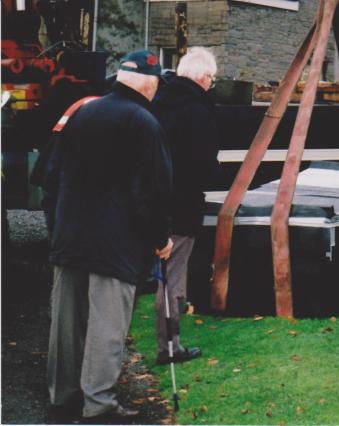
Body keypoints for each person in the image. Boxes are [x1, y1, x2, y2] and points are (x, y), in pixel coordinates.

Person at [43, 50, 173, 421]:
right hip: (115, 241)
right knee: (107, 326)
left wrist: (57, 226)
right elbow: (153, 192)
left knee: (65, 323)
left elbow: (51, 176)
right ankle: (97, 405)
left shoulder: (81, 111)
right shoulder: (144, 123)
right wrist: (160, 239)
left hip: (70, 236)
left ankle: (61, 397)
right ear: (149, 83)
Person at [152, 47, 220, 365]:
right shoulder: (198, 110)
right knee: (173, 278)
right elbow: (203, 167)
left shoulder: (157, 102)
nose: (212, 84)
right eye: (212, 79)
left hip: (151, 202)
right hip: (181, 206)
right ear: (203, 77)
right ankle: (170, 346)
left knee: (155, 277)